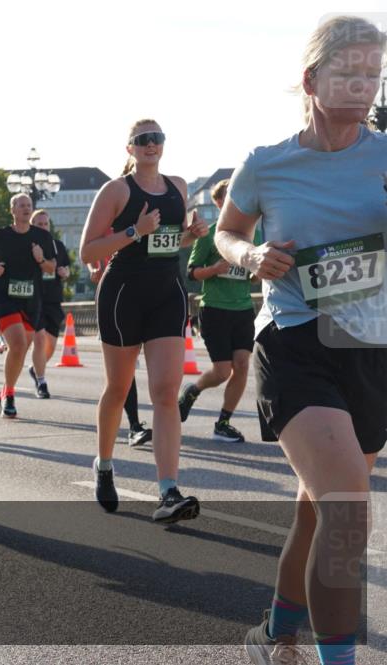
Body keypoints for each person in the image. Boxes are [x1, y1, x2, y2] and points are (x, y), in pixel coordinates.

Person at [214, 17, 385, 665]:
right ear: (312, 80)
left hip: (369, 345)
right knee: (347, 511)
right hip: (294, 341)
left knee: (317, 510)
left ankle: (273, 636)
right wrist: (251, 255)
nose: (364, 86)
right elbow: (226, 233)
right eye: (350, 73)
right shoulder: (267, 163)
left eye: (373, 74)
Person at [79, 118, 209, 523]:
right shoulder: (116, 190)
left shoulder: (178, 187)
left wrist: (192, 236)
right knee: (118, 388)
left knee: (166, 392)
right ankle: (104, 465)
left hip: (167, 293)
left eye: (157, 138)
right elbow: (87, 251)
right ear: (130, 148)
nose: (151, 144)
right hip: (123, 295)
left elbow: (169, 240)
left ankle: (168, 490)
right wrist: (134, 230)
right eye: (143, 139)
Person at [178, 179, 261, 442]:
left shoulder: (255, 236)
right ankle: (193, 390)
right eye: (229, 197)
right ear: (218, 203)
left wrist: (258, 274)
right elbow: (192, 273)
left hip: (243, 309)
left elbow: (254, 277)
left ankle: (223, 423)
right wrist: (214, 269)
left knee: (242, 365)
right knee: (222, 371)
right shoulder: (210, 234)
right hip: (215, 308)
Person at [0, 193, 57, 417]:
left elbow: (51, 268)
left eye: (29, 205)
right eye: (21, 205)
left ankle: (3, 393)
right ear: (12, 210)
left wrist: (40, 259)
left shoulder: (42, 237)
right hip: (4, 299)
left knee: (20, 352)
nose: (26, 208)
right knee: (17, 345)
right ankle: (9, 396)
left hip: (31, 302)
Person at [88, 258, 152, 447]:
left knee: (128, 373)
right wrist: (93, 268)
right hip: (116, 295)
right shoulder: (111, 237)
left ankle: (155, 423)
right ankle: (134, 427)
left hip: (150, 293)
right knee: (122, 375)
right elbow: (88, 251)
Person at [27, 209, 71, 399]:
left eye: (46, 224)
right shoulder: (27, 245)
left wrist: (64, 272)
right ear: (32, 226)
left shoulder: (57, 245)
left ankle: (35, 369)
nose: (44, 227)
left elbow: (66, 268)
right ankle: (42, 382)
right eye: (39, 224)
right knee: (39, 340)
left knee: (50, 346)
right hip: (34, 299)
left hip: (53, 299)